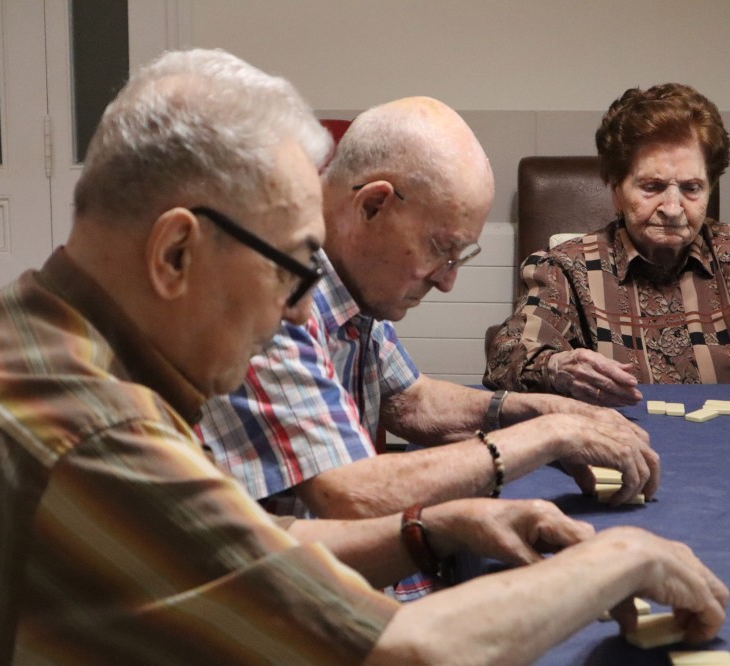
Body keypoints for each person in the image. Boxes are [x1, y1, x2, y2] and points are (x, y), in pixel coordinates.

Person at [0, 49, 729, 663]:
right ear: (175, 255)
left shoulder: (31, 332)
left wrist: (429, 530)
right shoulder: (87, 431)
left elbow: (238, 549)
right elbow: (408, 652)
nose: (295, 307)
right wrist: (620, 557)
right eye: (288, 268)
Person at [196, 98, 660, 597]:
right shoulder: (274, 296)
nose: (448, 282)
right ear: (372, 205)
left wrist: (541, 410)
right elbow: (352, 495)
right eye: (442, 249)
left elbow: (409, 400)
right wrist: (549, 435)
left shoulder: (350, 281)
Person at [485, 82, 730, 409]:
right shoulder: (567, 272)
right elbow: (506, 355)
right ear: (616, 190)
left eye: (691, 188)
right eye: (652, 187)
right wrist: (557, 369)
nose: (672, 208)